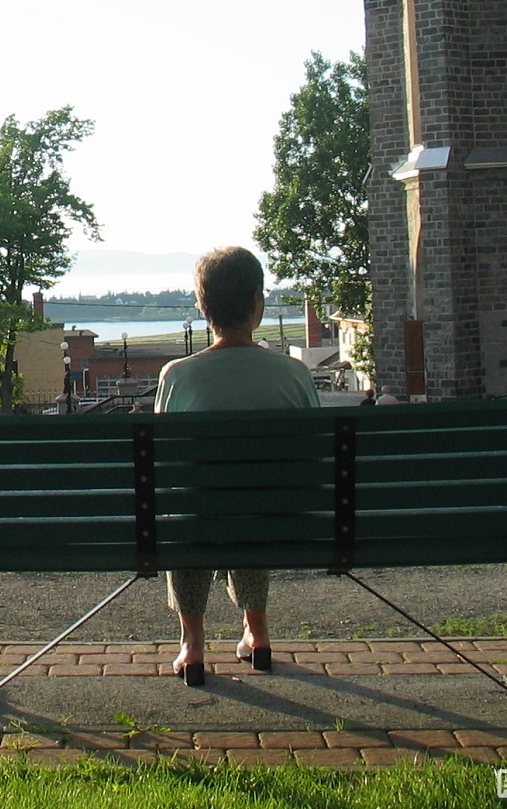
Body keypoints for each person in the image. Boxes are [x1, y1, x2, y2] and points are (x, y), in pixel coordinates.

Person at [155, 246, 320, 686]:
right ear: (257, 303)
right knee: (250, 499)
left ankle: (192, 644)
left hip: (199, 524)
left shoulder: (177, 376)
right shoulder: (294, 375)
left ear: (203, 308)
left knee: (191, 506)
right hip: (282, 523)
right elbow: (314, 455)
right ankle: (258, 633)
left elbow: (165, 467)